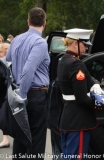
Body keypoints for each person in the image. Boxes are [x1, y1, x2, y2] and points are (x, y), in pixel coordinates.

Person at [6, 7, 49, 160]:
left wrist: (16, 94)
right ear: (44, 23)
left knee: (20, 136)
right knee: (36, 138)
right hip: (34, 94)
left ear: (28, 21)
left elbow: (8, 62)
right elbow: (28, 69)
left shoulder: (16, 39)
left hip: (18, 91)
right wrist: (22, 96)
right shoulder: (40, 42)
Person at [57, 28, 104, 160]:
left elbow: (86, 77)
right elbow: (82, 98)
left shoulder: (63, 60)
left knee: (67, 156)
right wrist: (98, 103)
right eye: (84, 45)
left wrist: (94, 82)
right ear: (76, 43)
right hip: (78, 120)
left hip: (68, 117)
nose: (86, 49)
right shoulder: (76, 64)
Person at [0, 43, 10, 148]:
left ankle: (5, 139)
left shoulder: (5, 63)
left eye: (1, 52)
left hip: (5, 94)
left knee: (4, 117)